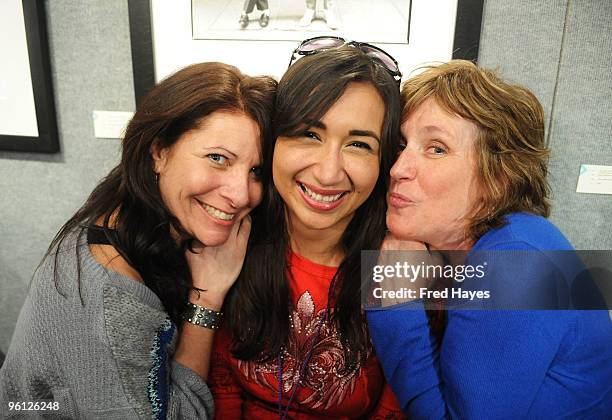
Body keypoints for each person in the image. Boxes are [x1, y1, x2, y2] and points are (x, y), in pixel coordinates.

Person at [0, 62, 276, 419]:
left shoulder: (135, 215)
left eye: (256, 171)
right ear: (159, 152)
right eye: (217, 158)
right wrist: (206, 300)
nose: (240, 194)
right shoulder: (111, 297)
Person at [365, 60, 612, 418]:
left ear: (498, 177)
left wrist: (393, 300)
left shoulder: (516, 262)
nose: (397, 169)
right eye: (403, 146)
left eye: (436, 148)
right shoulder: (508, 239)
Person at [209, 38, 404, 418]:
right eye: (309, 134)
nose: (328, 171)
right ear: (273, 140)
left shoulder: (404, 265)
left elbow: (396, 408)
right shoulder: (228, 235)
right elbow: (219, 386)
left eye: (359, 145)